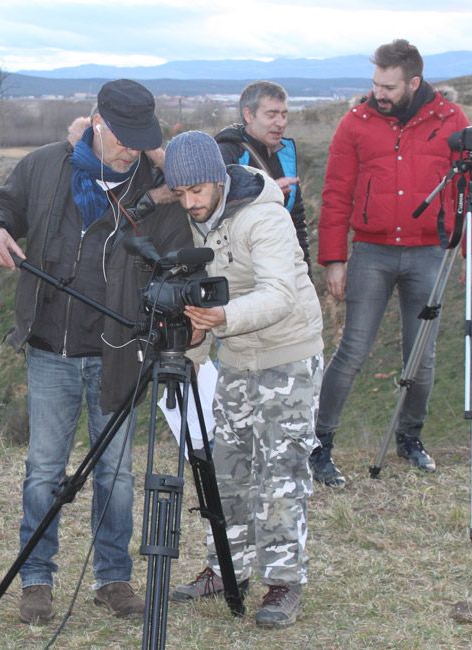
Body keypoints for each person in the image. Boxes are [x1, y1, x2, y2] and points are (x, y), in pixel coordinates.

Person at [0, 79, 192, 624]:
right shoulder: (46, 166)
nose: (130, 149)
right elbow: (2, 205)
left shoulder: (158, 187)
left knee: (116, 473)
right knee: (44, 471)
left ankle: (113, 579)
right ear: (97, 121)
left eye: (142, 139)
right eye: (122, 136)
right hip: (50, 348)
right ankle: (36, 580)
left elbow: (182, 258)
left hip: (119, 352)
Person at [161, 130, 323, 628]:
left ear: (217, 179)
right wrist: (195, 352)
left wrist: (223, 319)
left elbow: (280, 294)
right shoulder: (202, 221)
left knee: (281, 472)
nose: (189, 203)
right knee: (227, 468)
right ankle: (226, 567)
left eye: (197, 191)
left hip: (287, 357)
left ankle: (283, 582)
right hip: (235, 357)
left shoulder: (264, 217)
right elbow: (206, 291)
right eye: (180, 193)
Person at [314, 39, 472, 486]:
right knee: (351, 351)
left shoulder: (451, 120)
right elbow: (336, 193)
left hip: (430, 254)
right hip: (372, 253)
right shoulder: (355, 123)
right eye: (375, 84)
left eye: (388, 87)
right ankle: (319, 443)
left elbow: (471, 190)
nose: (378, 93)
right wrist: (334, 258)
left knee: (421, 357)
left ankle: (410, 438)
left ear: (413, 82)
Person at [214, 80, 310, 265]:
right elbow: (214, 207)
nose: (281, 123)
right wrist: (266, 192)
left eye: (284, 114)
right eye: (271, 115)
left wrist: (305, 272)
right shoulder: (226, 152)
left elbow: (296, 221)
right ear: (248, 115)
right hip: (241, 265)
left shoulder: (285, 153)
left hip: (281, 261)